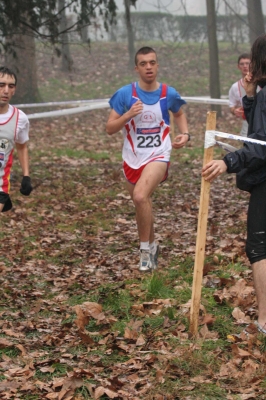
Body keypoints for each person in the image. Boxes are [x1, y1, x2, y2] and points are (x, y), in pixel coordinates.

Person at [202, 34, 266, 336]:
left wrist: (227, 162)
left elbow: (259, 144)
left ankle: (265, 321)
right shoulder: (261, 94)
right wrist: (251, 96)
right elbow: (257, 130)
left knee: (260, 247)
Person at [106, 46, 189, 272]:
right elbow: (109, 128)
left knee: (141, 196)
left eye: (152, 62)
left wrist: (185, 133)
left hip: (159, 154)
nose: (149, 67)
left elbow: (179, 113)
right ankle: (152, 247)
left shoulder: (167, 93)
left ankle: (144, 250)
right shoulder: (125, 94)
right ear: (137, 68)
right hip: (132, 157)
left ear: (157, 65)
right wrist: (127, 115)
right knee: (142, 202)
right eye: (143, 64)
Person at [0, 66, 32, 212]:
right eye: (1, 85)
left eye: (10, 86)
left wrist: (26, 176)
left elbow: (22, 146)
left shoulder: (20, 118)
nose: (6, 90)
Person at [228, 53, 251, 137]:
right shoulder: (235, 87)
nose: (245, 66)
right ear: (238, 66)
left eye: (247, 63)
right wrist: (235, 111)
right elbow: (232, 105)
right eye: (242, 64)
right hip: (247, 123)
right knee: (248, 148)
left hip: (263, 122)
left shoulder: (261, 83)